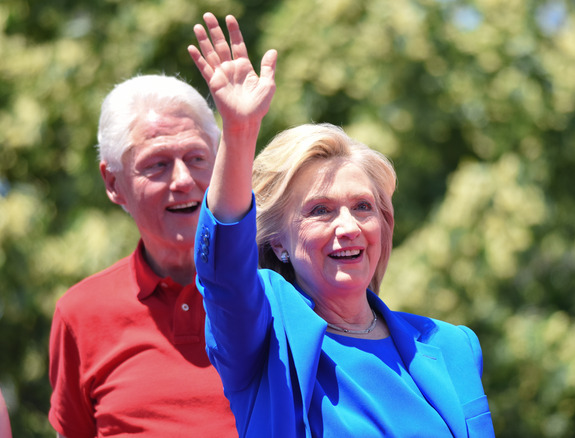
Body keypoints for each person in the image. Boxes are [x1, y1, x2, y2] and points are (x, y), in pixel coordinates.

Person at [188, 12, 495, 437]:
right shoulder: (266, 343)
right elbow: (224, 273)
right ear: (277, 241)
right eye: (320, 210)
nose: (347, 225)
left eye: (363, 207)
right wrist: (239, 132)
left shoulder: (451, 345)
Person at [48, 73, 238, 437]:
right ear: (113, 183)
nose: (183, 179)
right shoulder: (81, 314)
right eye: (157, 164)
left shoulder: (277, 287)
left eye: (197, 158)